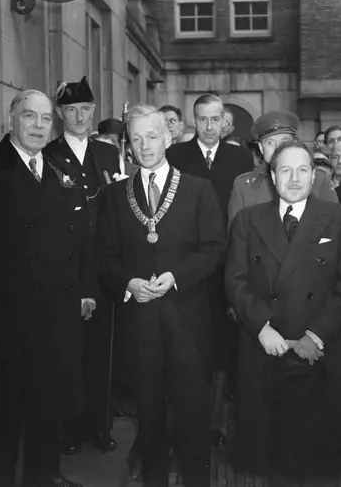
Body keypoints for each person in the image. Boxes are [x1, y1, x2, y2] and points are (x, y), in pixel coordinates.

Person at [0, 90, 95, 487]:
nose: (39, 126)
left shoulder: (63, 167)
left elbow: (79, 238)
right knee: (8, 409)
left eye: (46, 119)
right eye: (30, 116)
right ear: (11, 119)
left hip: (57, 308)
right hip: (5, 308)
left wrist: (83, 289)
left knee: (49, 408)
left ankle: (41, 480)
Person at [96, 104, 225, 487]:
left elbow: (214, 248)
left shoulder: (199, 189)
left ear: (169, 137)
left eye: (152, 136)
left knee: (192, 410)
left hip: (187, 319)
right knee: (149, 411)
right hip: (141, 322)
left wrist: (176, 276)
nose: (145, 145)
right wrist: (129, 284)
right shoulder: (115, 195)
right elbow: (104, 257)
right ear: (128, 145)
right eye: (136, 138)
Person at [225, 140, 341, 483]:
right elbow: (235, 279)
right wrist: (262, 328)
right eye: (285, 170)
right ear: (272, 176)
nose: (294, 178)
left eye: (302, 170)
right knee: (270, 457)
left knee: (317, 460)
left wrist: (315, 335)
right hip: (267, 343)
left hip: (321, 345)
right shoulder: (248, 219)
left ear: (313, 175)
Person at [167, 94, 253, 447]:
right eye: (202, 119)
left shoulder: (239, 157)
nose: (209, 126)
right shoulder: (175, 156)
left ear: (225, 122)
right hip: (187, 264)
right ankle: (183, 423)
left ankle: (215, 425)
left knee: (221, 347)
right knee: (185, 347)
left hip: (227, 265)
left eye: (215, 119)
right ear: (193, 120)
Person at [44, 77, 120, 454]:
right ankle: (70, 429)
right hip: (67, 266)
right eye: (71, 110)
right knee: (68, 352)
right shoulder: (48, 154)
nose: (79, 116)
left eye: (85, 109)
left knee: (101, 353)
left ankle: (99, 426)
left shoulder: (107, 154)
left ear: (93, 112)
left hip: (102, 265)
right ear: (60, 115)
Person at [227, 111, 338, 229]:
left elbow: (336, 228)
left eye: (284, 141)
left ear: (294, 143)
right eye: (270, 143)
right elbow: (236, 238)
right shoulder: (244, 186)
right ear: (261, 148)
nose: (277, 148)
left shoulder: (319, 180)